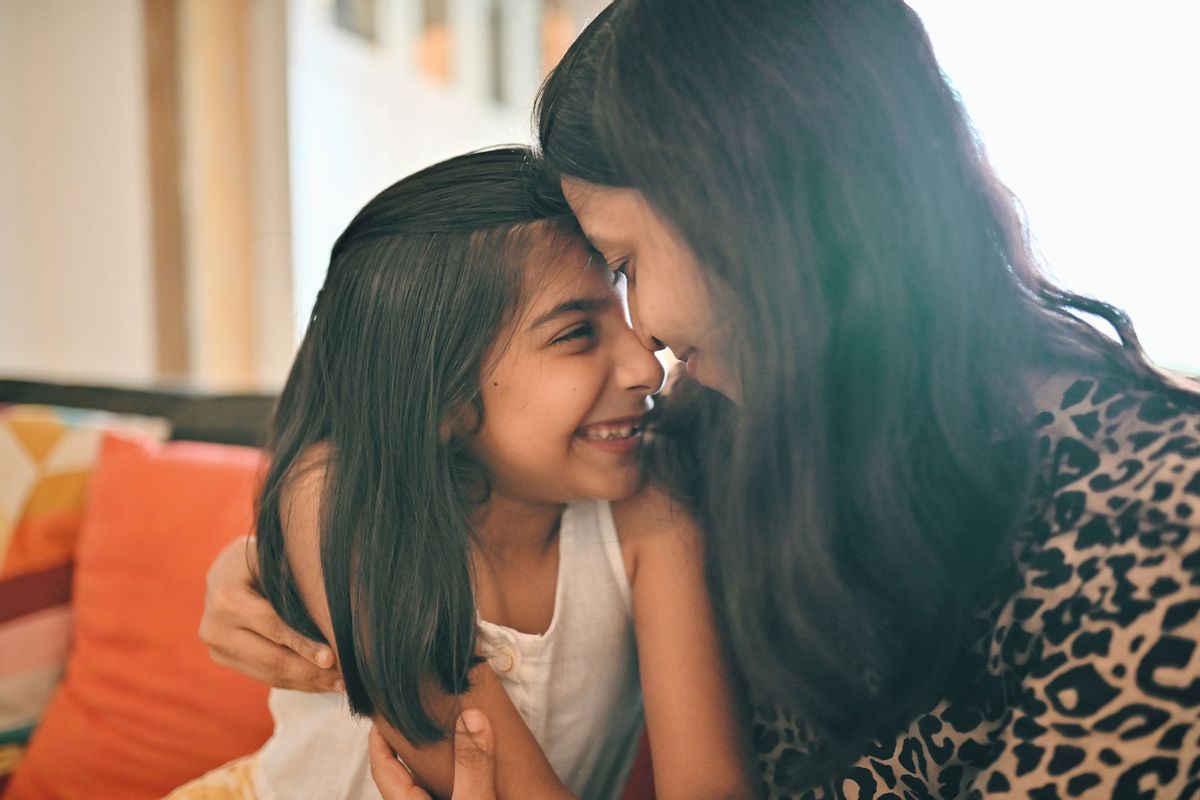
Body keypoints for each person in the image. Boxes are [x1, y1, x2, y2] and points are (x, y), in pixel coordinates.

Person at [205, 2, 1200, 798]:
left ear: (756, 217)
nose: (650, 344)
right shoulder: (718, 429)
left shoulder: (1157, 510)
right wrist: (270, 561)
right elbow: (390, 476)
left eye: (628, 265)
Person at [179, 147, 747, 800]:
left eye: (623, 313)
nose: (646, 368)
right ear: (442, 400)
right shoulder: (336, 498)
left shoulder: (650, 506)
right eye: (576, 335)